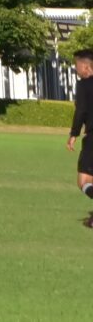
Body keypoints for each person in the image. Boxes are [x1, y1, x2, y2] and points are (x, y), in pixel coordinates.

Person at [66, 51, 93, 222]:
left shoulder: (84, 84)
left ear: (85, 66)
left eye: (76, 65)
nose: (76, 69)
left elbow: (81, 110)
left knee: (83, 180)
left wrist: (73, 133)